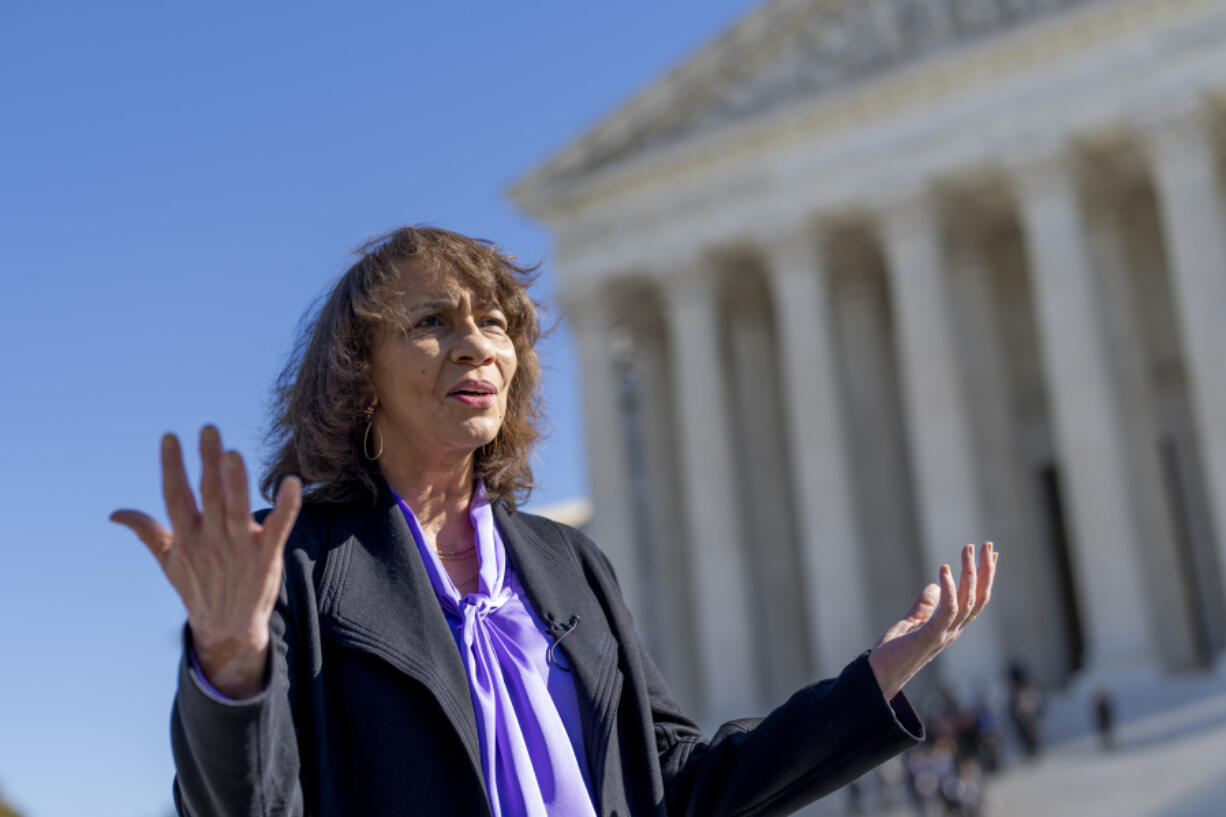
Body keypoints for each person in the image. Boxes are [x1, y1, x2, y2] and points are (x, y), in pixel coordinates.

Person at [112, 226, 999, 817]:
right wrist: (231, 671)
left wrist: (872, 684)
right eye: (431, 321)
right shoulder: (297, 561)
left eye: (495, 321)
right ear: (358, 374)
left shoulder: (566, 562)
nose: (477, 344)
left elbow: (681, 789)